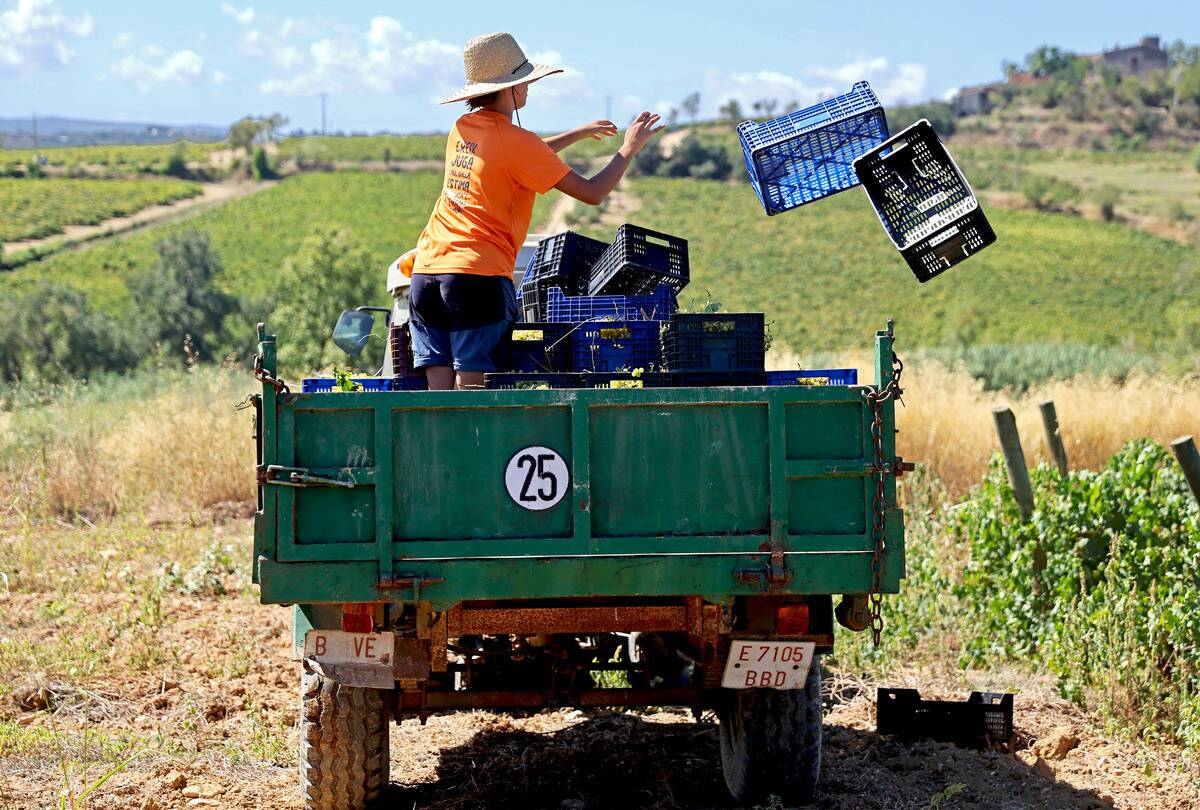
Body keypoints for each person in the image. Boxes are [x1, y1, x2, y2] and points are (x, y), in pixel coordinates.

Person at [408, 31, 663, 390]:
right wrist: (629, 148)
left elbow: (518, 155)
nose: (528, 88)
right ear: (509, 87)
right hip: (474, 277)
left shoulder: (462, 128)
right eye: (524, 81)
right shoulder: (517, 142)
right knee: (471, 387)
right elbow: (592, 193)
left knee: (437, 388)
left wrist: (574, 134)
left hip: (426, 274)